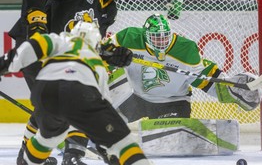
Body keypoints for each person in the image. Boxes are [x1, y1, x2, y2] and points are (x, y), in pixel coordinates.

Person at [8, 0, 136, 165]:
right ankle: (71, 156)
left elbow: (88, 44)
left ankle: (33, 156)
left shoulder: (109, 10)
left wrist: (109, 53)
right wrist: (37, 22)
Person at [0, 17, 152, 165]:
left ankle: (26, 159)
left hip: (45, 90)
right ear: (96, 43)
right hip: (81, 91)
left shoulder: (57, 40)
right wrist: (105, 147)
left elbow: (27, 50)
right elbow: (103, 104)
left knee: (47, 138)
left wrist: (2, 66)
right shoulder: (97, 63)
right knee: (123, 141)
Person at [105, 14, 262, 122]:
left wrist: (231, 90)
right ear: (145, 35)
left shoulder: (186, 50)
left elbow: (206, 81)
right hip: (137, 99)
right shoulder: (128, 37)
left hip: (173, 102)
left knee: (167, 144)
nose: (161, 42)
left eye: (164, 37)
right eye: (156, 38)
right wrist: (109, 56)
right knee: (104, 127)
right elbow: (100, 53)